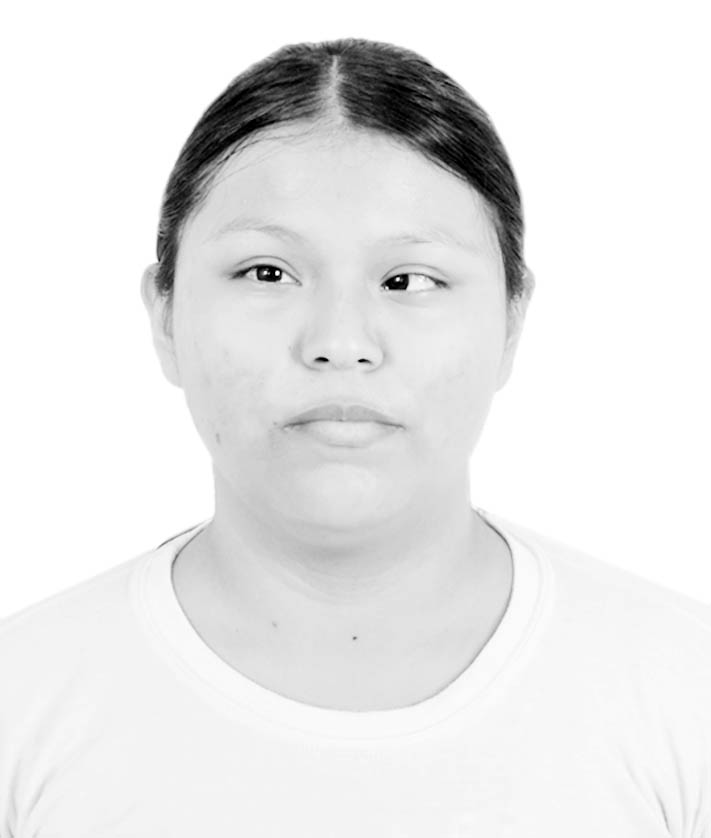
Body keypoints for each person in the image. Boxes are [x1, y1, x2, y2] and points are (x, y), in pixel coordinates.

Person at [1, 37, 709, 838]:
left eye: (408, 280)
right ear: (164, 315)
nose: (340, 342)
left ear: (512, 320)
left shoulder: (684, 695)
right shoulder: (22, 705)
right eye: (266, 272)